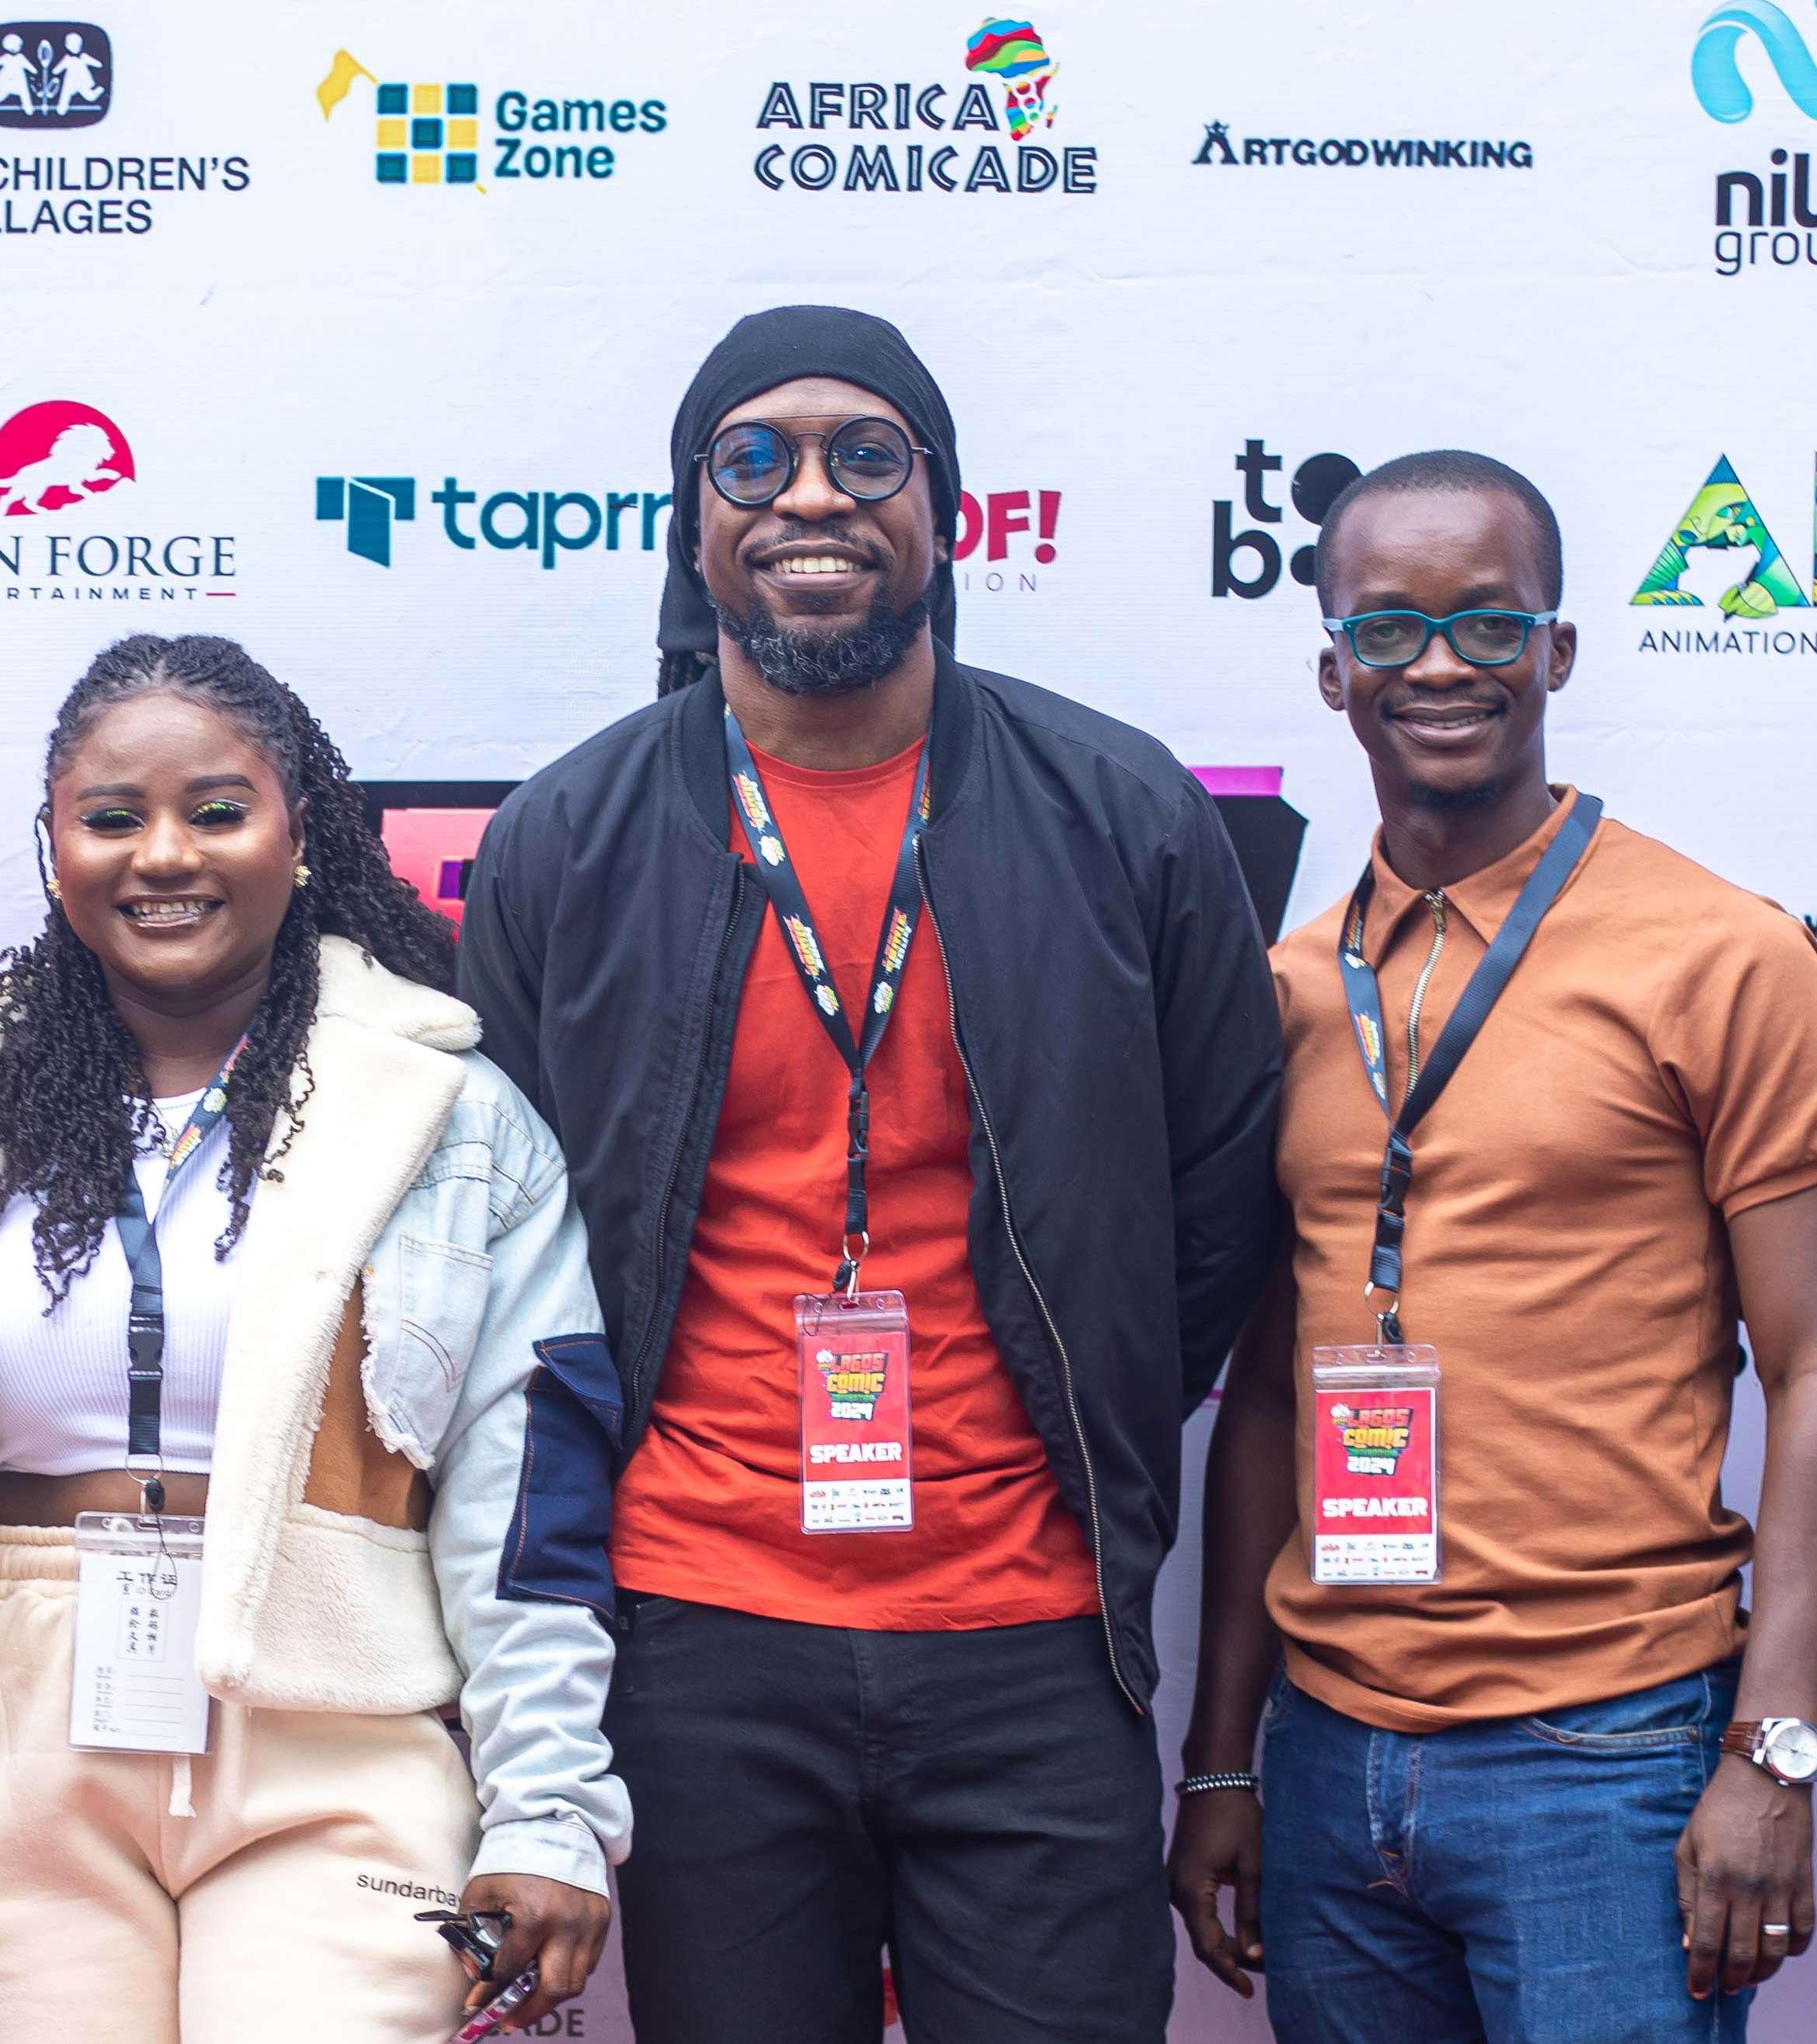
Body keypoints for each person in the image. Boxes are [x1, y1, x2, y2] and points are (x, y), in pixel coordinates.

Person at [458, 305, 1287, 2042]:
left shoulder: (1122, 811)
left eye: (867, 454)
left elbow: (1214, 1205)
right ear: (694, 524)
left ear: (950, 510)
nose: (809, 497)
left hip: (1036, 1629)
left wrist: (1089, 1421)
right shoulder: (567, 835)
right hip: (698, 1632)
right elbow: (511, 1237)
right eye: (752, 459)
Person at [0, 634, 629, 2042]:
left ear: (300, 837)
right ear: (54, 849)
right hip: (5, 1747)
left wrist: (548, 1808)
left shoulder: (446, 1115)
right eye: (113, 818)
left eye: (217, 809)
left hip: (340, 1733)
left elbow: (527, 1506)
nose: (163, 853)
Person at [1169, 451, 1817, 2042]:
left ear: (1560, 650)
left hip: (1608, 1759)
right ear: (1332, 669)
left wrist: (1778, 1745)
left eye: (1488, 622)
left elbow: (1809, 1368)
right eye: (1389, 630)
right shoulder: (1288, 989)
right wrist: (1227, 1754)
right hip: (1329, 1760)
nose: (1440, 665)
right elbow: (1263, 1399)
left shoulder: (1724, 956)